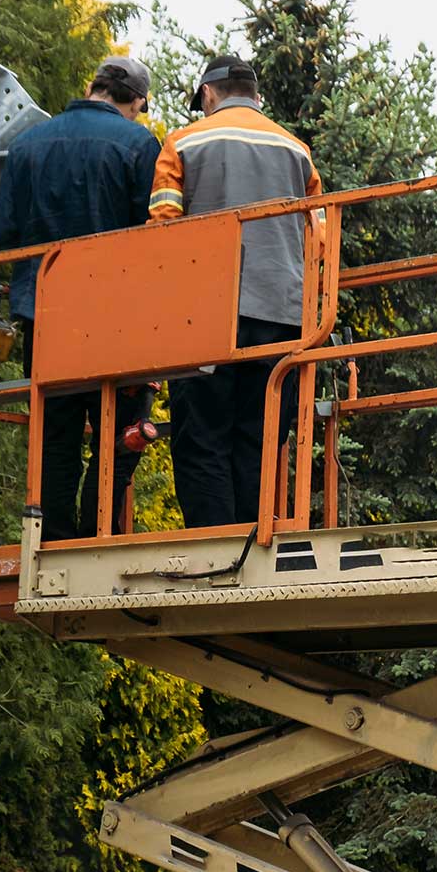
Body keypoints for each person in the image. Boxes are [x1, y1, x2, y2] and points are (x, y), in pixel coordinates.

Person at [0, 56, 160, 541]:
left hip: (45, 318)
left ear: (92, 86)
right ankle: (97, 535)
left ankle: (56, 541)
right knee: (120, 439)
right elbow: (156, 235)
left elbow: (2, 231)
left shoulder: (26, 144)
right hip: (116, 323)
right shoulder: (138, 144)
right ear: (137, 102)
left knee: (56, 440)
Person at [149, 55, 323, 530]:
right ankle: (254, 548)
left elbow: (160, 231)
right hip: (283, 317)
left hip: (204, 319)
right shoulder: (297, 151)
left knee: (202, 438)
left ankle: (213, 553)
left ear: (207, 94)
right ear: (257, 95)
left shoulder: (183, 143)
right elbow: (319, 238)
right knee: (261, 439)